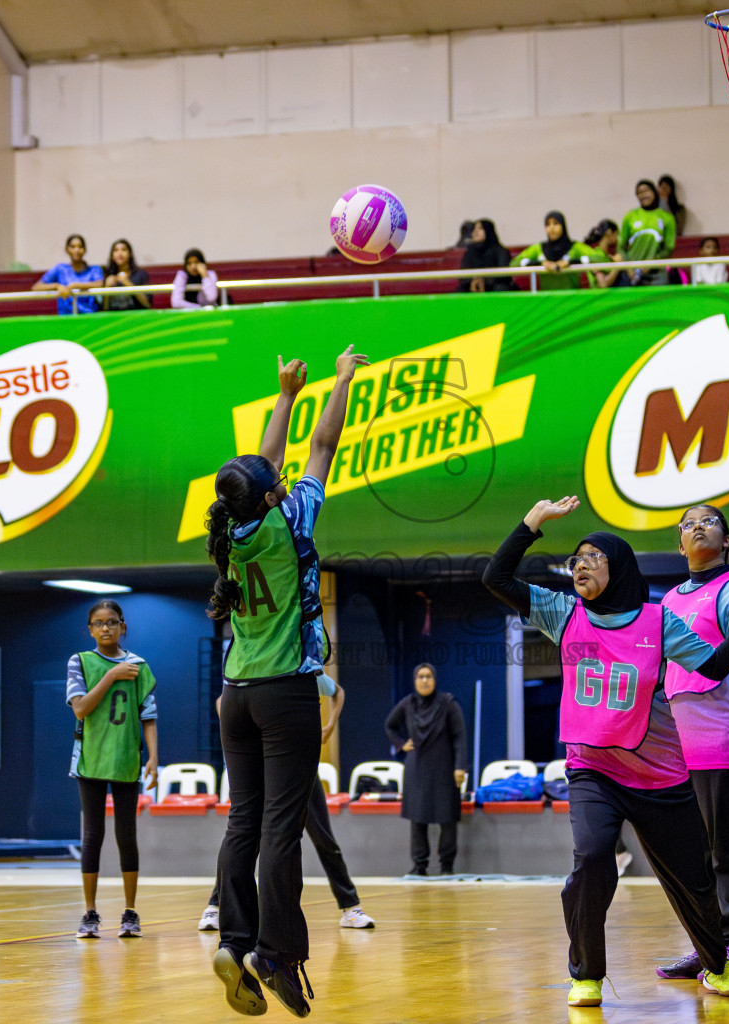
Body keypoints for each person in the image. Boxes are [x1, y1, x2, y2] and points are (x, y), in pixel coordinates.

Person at [482, 494, 729, 1007]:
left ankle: (717, 964)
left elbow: (712, 668)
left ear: (619, 567)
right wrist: (532, 521)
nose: (580, 565)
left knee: (694, 880)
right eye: (575, 559)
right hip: (593, 770)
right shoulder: (563, 614)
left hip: (660, 777)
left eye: (592, 558)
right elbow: (496, 578)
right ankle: (586, 973)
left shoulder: (657, 620)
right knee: (592, 859)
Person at [205, 344, 368, 1018]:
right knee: (280, 828)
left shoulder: (227, 528)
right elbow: (324, 447)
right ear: (273, 489)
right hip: (285, 692)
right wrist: (340, 382)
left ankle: (235, 936)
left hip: (234, 695)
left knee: (243, 821)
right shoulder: (291, 519)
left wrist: (283, 395)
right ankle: (273, 950)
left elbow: (257, 465)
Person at [654, 506, 729, 985]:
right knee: (696, 858)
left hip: (725, 734)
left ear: (726, 540)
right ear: (680, 546)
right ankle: (707, 947)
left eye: (708, 521)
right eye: (687, 524)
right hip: (680, 745)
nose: (697, 527)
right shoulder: (667, 602)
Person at [200, 676, 376, 932]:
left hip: (301, 767)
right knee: (245, 836)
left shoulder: (308, 672)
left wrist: (329, 726)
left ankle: (350, 907)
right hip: (263, 766)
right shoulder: (262, 674)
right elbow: (222, 701)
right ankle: (215, 906)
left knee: (324, 838)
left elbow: (338, 692)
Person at [67, 599, 159, 940]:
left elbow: (148, 717)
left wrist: (152, 757)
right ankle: (89, 913)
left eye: (112, 622)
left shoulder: (139, 666)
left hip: (125, 760)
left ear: (123, 626)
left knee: (126, 834)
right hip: (90, 759)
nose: (106, 628)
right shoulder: (79, 662)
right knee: (93, 835)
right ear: (90, 629)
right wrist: (110, 675)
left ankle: (130, 912)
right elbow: (81, 709)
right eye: (99, 623)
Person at [385, 663, 467, 875]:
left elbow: (460, 737)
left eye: (428, 676)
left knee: (447, 817)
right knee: (417, 818)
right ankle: (419, 865)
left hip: (445, 769)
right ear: (415, 681)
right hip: (417, 768)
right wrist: (401, 743)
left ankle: (446, 866)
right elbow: (390, 725)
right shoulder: (408, 704)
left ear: (434, 679)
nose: (424, 680)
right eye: (420, 677)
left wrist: (460, 767)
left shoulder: (448, 704)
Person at [511, 211, 600, 291]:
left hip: (572, 300)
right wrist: (542, 263)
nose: (551, 228)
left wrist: (571, 262)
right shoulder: (539, 248)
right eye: (548, 224)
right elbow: (514, 263)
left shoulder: (575, 247)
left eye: (556, 223)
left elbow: (601, 259)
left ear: (563, 226)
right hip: (547, 301)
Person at [621, 179, 678, 285]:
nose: (643, 195)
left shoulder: (667, 218)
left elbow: (669, 247)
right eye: (639, 193)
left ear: (654, 192)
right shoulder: (630, 216)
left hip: (657, 273)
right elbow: (621, 247)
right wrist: (628, 268)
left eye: (646, 191)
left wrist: (654, 261)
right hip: (633, 274)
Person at [33, 233, 103, 314]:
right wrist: (57, 286)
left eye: (80, 247)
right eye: (73, 247)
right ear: (67, 249)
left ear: (85, 250)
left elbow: (99, 283)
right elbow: (36, 287)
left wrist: (74, 286)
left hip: (90, 316)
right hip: (66, 317)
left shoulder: (94, 270)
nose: (76, 250)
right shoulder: (60, 269)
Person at [457, 219, 513, 292]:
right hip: (473, 286)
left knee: (500, 288)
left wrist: (484, 281)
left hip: (494, 286)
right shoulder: (469, 252)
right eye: (474, 229)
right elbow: (463, 275)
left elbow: (503, 275)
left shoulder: (501, 251)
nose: (475, 231)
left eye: (480, 228)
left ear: (488, 231)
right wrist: (474, 281)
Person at [101, 238, 151, 312]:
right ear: (112, 255)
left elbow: (148, 304)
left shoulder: (140, 274)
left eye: (124, 250)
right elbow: (104, 310)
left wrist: (127, 283)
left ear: (130, 254)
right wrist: (107, 288)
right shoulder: (107, 275)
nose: (120, 253)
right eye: (116, 250)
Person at [582, 219, 627, 289]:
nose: (617, 239)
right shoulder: (597, 255)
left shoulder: (604, 255)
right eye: (616, 234)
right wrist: (618, 265)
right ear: (609, 232)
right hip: (597, 296)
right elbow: (603, 284)